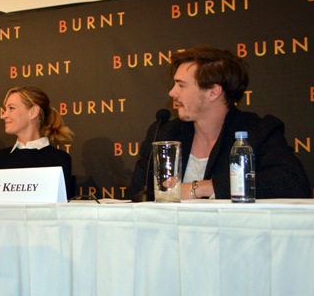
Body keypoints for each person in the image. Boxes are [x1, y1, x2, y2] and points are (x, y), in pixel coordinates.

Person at [128, 46, 310, 200]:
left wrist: (199, 188)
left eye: (181, 85)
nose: (172, 93)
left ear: (213, 92)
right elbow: (136, 194)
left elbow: (293, 182)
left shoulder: (258, 130)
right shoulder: (164, 133)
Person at [0, 85, 75, 195]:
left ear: (33, 112)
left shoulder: (58, 160)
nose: (4, 115)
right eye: (5, 109)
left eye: (11, 108)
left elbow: (60, 208)